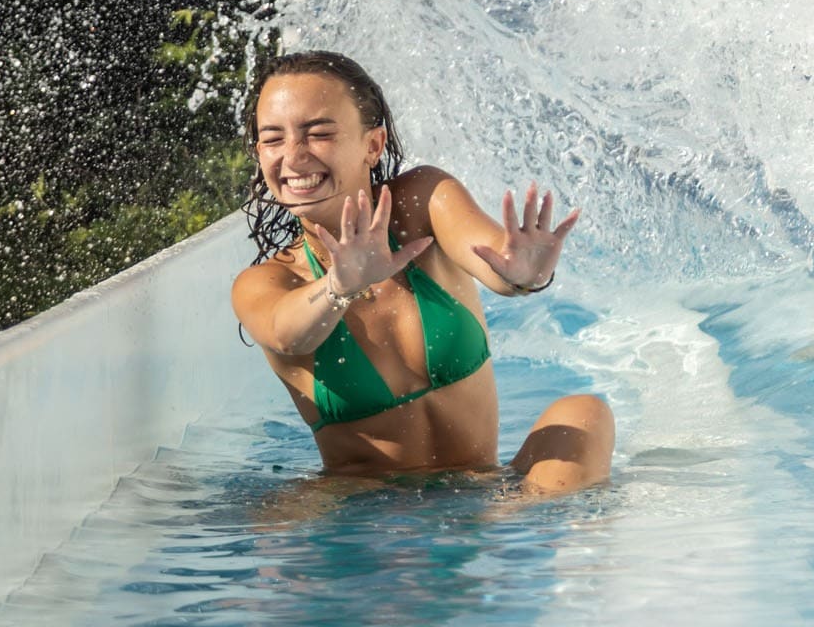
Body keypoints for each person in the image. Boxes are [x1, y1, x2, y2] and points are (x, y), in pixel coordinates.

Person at [230, 50, 614, 494]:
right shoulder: (266, 282)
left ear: (373, 145)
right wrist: (339, 285)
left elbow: (491, 258)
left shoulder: (420, 202)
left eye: (318, 134)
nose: (294, 157)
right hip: (368, 510)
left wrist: (525, 274)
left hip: (481, 492)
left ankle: (521, 513)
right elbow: (289, 333)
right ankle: (525, 518)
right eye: (272, 139)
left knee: (585, 414)